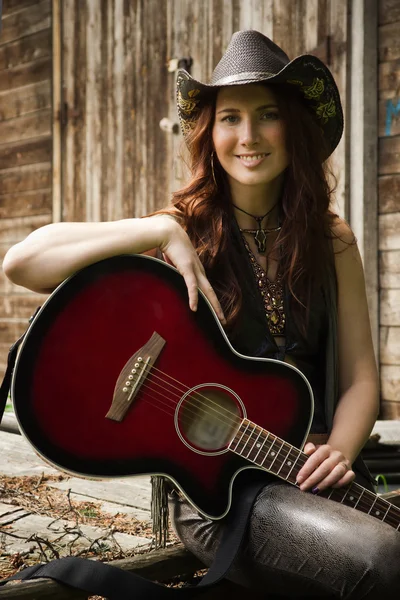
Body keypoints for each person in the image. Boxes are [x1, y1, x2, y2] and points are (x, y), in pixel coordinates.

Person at [3, 30, 400, 598]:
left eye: (267, 115)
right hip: (218, 495)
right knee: (382, 560)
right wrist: (158, 227)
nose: (248, 136)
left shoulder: (333, 239)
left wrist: (341, 449)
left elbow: (362, 375)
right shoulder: (183, 231)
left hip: (308, 466)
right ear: (209, 132)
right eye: (230, 117)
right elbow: (22, 263)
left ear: (295, 126)